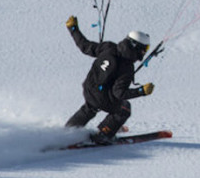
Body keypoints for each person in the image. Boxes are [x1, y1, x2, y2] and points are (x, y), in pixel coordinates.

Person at [64, 15, 155, 144]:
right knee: (124, 109)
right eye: (145, 49)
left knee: (89, 108)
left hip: (89, 88)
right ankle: (104, 134)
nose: (144, 52)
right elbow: (120, 93)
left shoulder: (109, 47)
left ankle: (66, 133)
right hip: (101, 97)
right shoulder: (127, 67)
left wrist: (73, 29)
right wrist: (141, 91)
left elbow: (85, 46)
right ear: (136, 47)